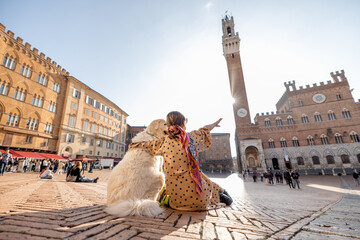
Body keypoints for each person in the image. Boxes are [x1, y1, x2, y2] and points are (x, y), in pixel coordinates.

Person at [130, 111, 232, 211]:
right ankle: (220, 194)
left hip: (176, 202)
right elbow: (204, 130)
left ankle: (219, 194)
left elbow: (144, 145)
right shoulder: (191, 137)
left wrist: (132, 145)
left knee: (165, 191)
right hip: (201, 200)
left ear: (168, 125)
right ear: (183, 124)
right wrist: (214, 124)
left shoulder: (163, 143)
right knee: (206, 181)